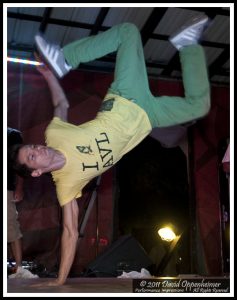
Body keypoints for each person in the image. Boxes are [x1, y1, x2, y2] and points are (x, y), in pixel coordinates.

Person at [9, 15, 211, 285]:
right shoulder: (67, 185)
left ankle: (65, 57)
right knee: (199, 106)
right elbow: (70, 232)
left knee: (128, 32)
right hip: (148, 117)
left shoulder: (55, 135)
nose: (39, 150)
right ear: (36, 172)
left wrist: (49, 74)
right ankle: (188, 45)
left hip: (126, 97)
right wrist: (59, 281)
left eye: (33, 146)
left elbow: (61, 104)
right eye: (33, 156)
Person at [7, 128, 38, 279]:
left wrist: (19, 187)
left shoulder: (13, 135)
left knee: (11, 225)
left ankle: (19, 268)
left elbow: (20, 165)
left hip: (6, 187)